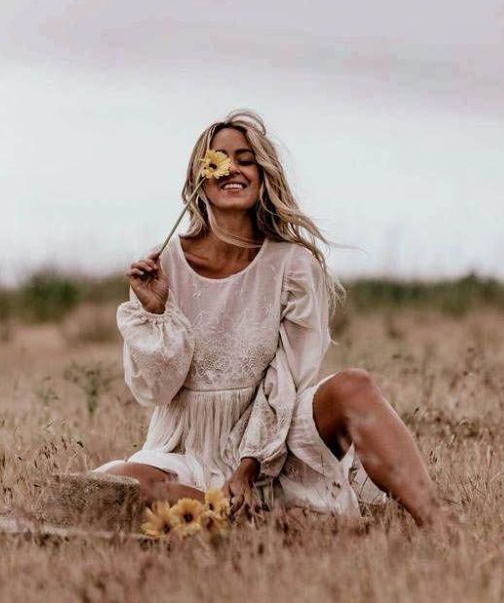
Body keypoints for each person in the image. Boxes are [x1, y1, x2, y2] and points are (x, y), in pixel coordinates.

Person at [96, 109, 440, 525]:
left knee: (354, 386)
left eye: (245, 159)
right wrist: (154, 312)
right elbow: (155, 390)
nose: (231, 169)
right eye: (218, 160)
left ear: (264, 175)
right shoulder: (162, 265)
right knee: (120, 482)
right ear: (198, 178)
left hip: (274, 440)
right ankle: (247, 520)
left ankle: (440, 524)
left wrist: (249, 466)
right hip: (187, 448)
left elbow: (286, 377)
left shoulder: (292, 265)